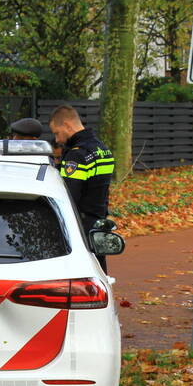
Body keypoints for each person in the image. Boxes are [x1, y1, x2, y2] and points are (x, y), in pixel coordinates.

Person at [49, 104, 115, 271]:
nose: (57, 140)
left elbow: (69, 198)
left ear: (66, 125)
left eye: (57, 133)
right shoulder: (102, 149)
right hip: (99, 223)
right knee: (99, 272)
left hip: (81, 227)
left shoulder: (77, 155)